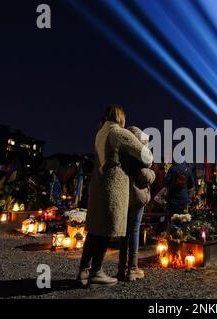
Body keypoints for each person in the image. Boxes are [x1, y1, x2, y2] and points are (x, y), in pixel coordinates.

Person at [77, 105, 153, 288]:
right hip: (112, 188)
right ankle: (96, 272)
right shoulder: (119, 133)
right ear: (120, 117)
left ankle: (83, 271)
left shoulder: (100, 133)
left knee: (95, 231)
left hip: (97, 186)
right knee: (105, 232)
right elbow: (147, 157)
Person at [118, 126, 155, 281]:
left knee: (123, 232)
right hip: (136, 196)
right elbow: (145, 177)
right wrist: (152, 174)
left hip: (123, 195)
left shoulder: (122, 153)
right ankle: (133, 268)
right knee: (134, 230)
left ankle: (121, 268)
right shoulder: (138, 156)